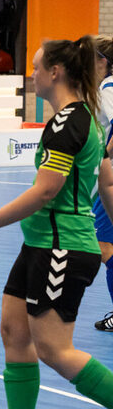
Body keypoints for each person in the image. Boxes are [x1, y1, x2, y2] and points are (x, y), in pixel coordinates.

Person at [0, 37, 113, 409]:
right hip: (40, 244)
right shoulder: (75, 117)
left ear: (55, 72)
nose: (32, 75)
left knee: (55, 350)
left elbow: (46, 191)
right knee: (14, 331)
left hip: (61, 248)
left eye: (37, 67)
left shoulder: (69, 122)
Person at [87, 36, 113, 332]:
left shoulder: (108, 88)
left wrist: (103, 155)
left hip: (109, 182)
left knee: (104, 247)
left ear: (103, 62)